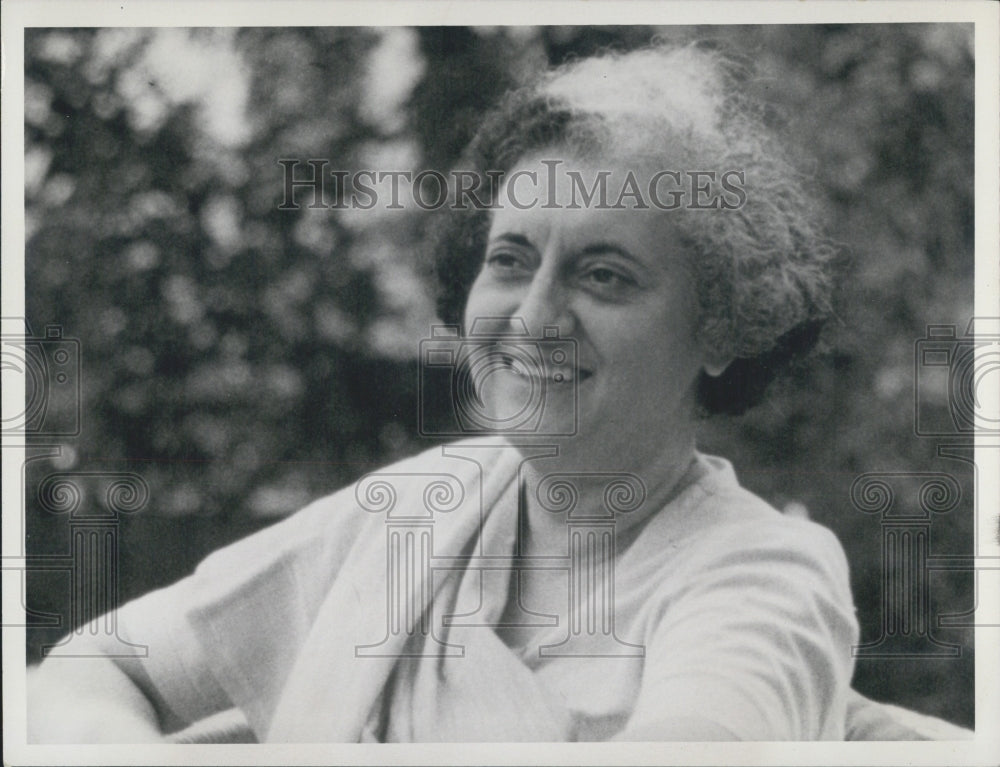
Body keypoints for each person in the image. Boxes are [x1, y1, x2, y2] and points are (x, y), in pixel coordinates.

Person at [26, 42, 969, 743]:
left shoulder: (759, 577)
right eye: (511, 261)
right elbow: (96, 664)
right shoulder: (412, 514)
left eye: (604, 276)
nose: (535, 316)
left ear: (722, 328)